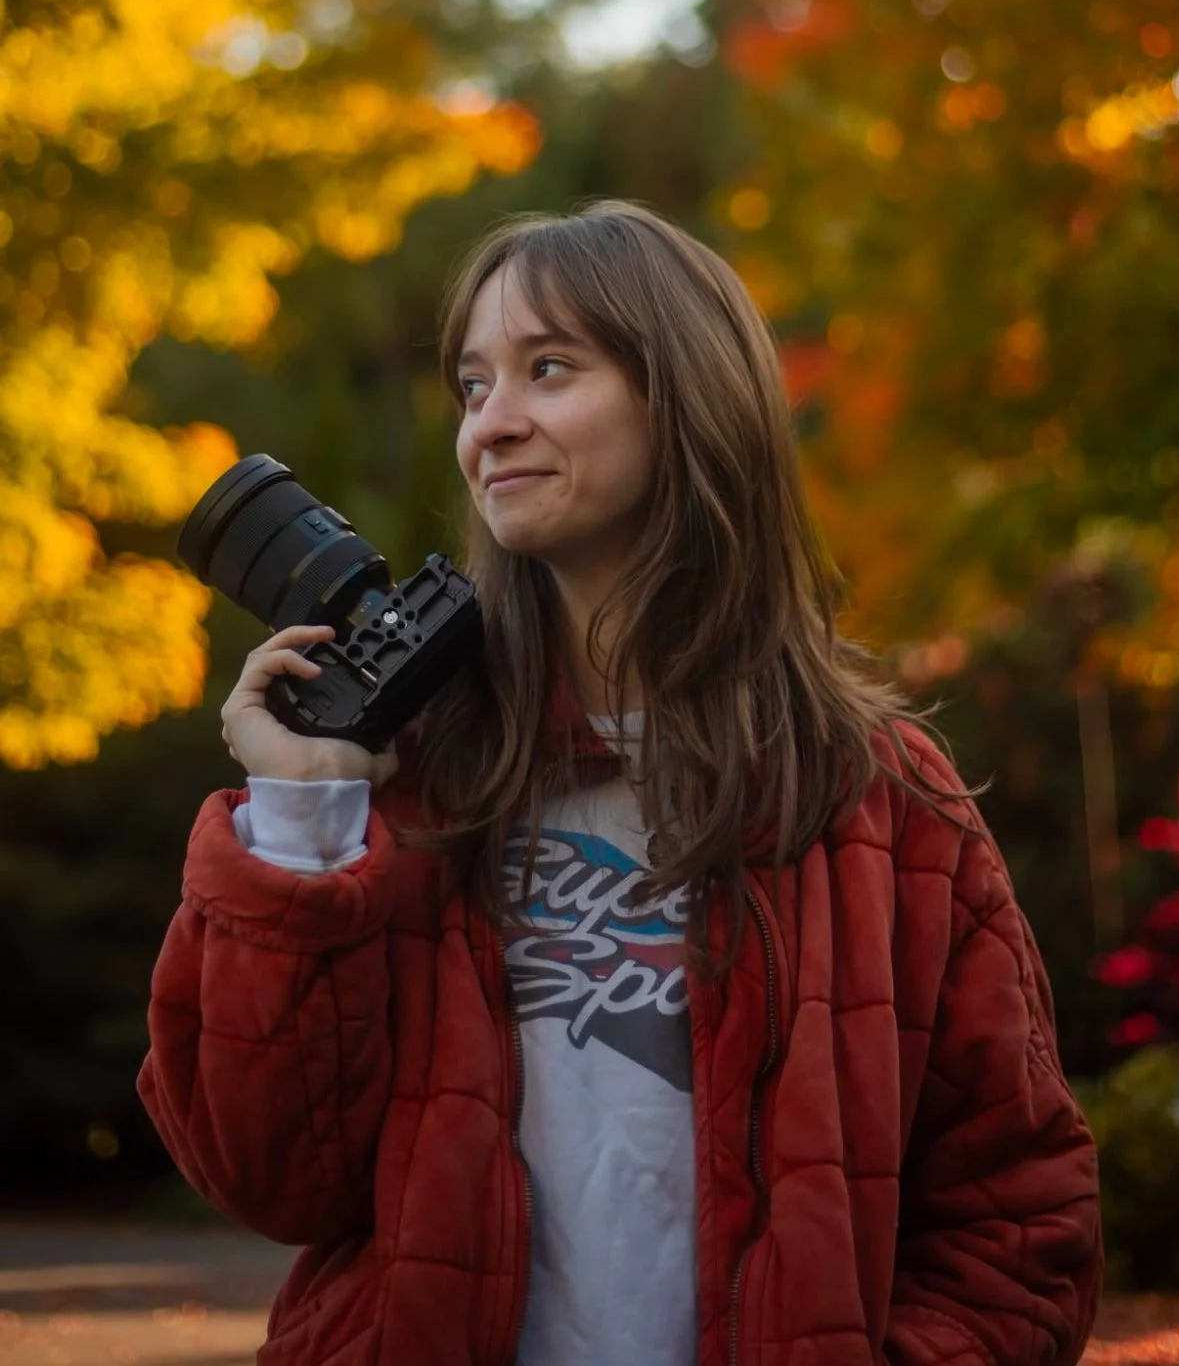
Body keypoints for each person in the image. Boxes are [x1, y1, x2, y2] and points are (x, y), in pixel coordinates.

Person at [139, 201, 1102, 1366]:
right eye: (473, 385)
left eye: (548, 368)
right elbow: (264, 1175)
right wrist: (301, 819)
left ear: (686, 396)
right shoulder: (407, 775)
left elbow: (1020, 1218)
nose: (491, 424)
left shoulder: (877, 794)